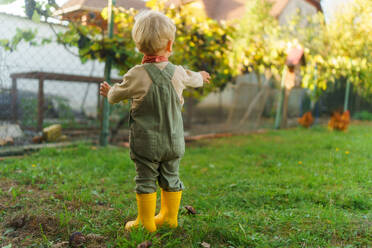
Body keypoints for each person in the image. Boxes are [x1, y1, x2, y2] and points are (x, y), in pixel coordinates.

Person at [100, 10, 211, 232]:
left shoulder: (136, 74)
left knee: (145, 179)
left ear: (138, 46)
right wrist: (202, 76)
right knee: (171, 176)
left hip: (146, 144)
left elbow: (115, 96)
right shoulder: (178, 72)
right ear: (170, 45)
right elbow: (195, 79)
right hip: (174, 141)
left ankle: (146, 222)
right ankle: (170, 218)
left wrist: (109, 91)